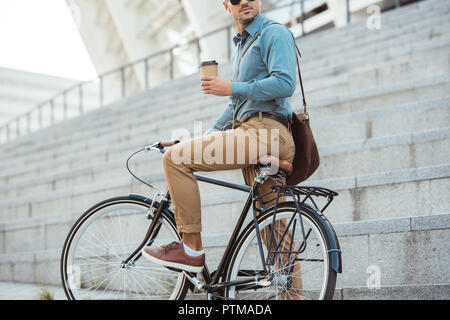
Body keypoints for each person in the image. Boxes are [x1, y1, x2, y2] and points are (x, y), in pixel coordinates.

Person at [142, 0, 298, 279]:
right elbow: (236, 104)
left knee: (175, 161)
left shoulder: (274, 33)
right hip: (252, 131)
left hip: (266, 132)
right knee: (273, 229)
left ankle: (191, 249)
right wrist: (206, 137)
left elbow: (285, 83)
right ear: (226, 5)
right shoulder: (241, 47)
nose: (245, 2)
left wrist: (230, 87)